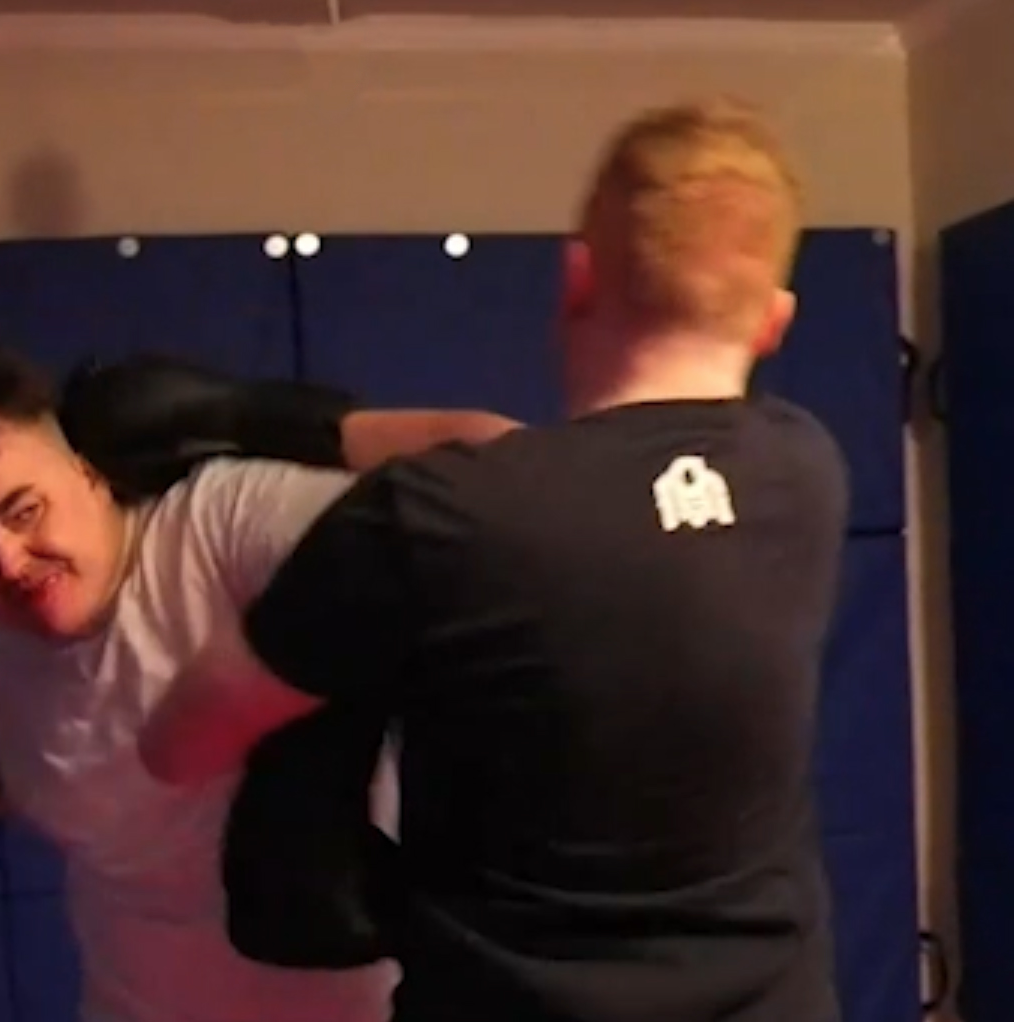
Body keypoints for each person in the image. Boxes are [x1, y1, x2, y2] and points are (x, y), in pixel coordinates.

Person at [138, 97, 850, 1022]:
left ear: (576, 276)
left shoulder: (434, 518)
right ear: (773, 322)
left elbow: (177, 744)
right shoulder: (807, 473)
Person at [0, 347, 517, 1022]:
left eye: (23, 511)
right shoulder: (14, 639)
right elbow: (92, 802)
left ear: (89, 476)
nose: (10, 564)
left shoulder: (218, 525)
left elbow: (509, 482)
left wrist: (260, 417)